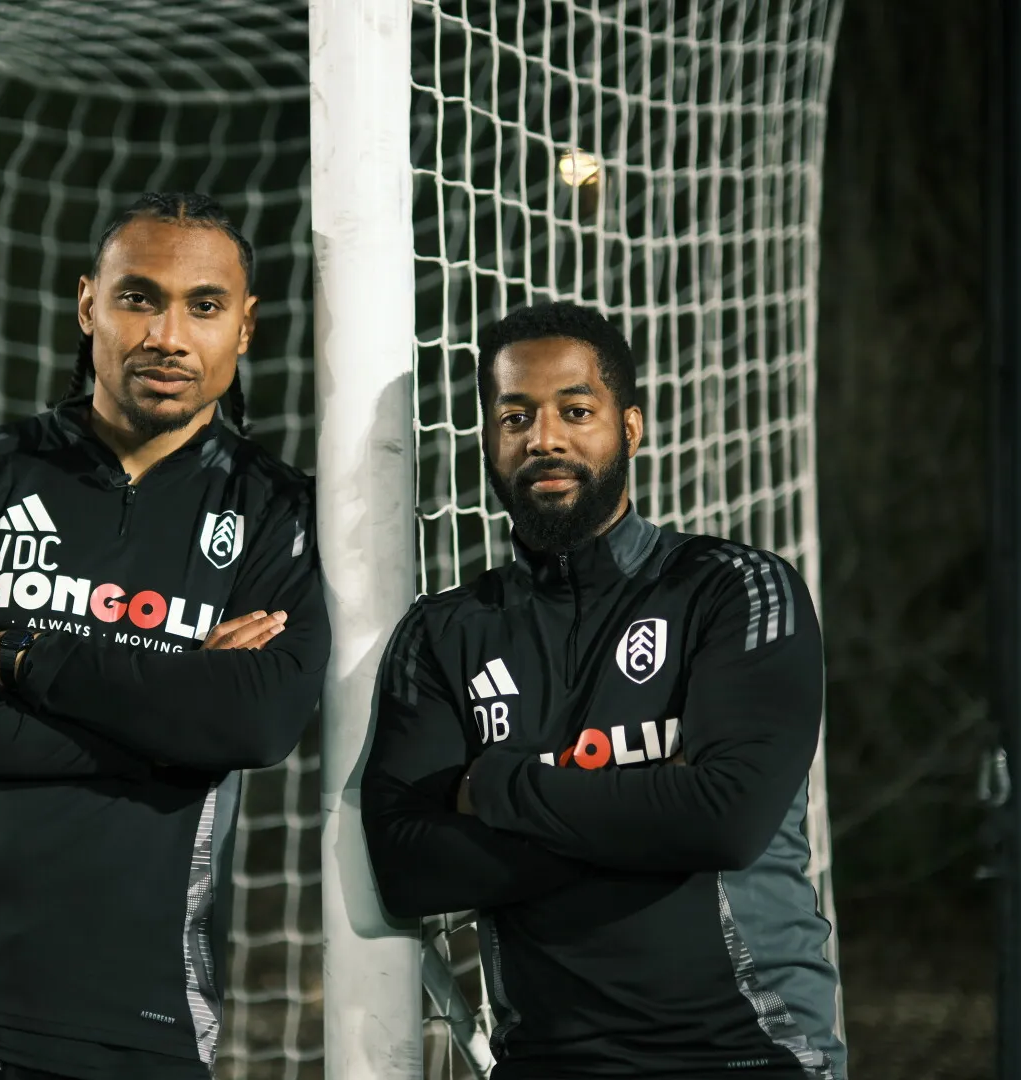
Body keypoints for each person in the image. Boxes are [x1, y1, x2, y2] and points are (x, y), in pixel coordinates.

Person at [0, 191, 329, 1080]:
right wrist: (161, 723)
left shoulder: (281, 512)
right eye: (139, 297)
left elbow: (252, 725)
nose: (168, 336)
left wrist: (18, 655)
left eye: (204, 306)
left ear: (246, 327)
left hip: (132, 1019)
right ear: (87, 305)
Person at [361, 301, 844, 1079]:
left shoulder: (734, 590)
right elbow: (410, 867)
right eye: (514, 416)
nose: (543, 438)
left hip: (747, 1057)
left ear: (630, 427)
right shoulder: (444, 632)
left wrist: (497, 784)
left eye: (574, 411)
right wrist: (654, 814)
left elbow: (727, 820)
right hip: (547, 1063)